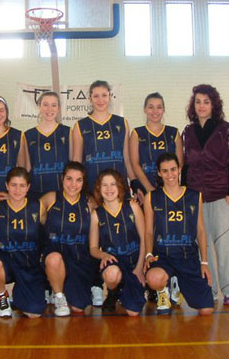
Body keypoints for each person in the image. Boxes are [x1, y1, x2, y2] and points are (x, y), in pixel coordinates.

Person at [72, 80, 138, 306]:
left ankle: (125, 282)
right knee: (94, 242)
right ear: (90, 98)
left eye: (104, 95)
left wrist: (133, 187)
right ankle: (95, 285)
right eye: (96, 96)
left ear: (110, 96)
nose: (100, 100)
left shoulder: (122, 123)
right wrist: (84, 195)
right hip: (93, 195)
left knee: (122, 237)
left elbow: (127, 160)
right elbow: (77, 163)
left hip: (118, 193)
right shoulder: (81, 126)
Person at [181, 84, 229, 305]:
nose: (202, 106)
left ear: (214, 104)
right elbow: (185, 168)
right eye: (198, 102)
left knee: (223, 245)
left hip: (220, 195)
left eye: (206, 101)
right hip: (195, 197)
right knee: (201, 247)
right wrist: (185, 196)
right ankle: (210, 288)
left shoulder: (226, 130)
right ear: (193, 105)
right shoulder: (187, 132)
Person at [144, 153, 214, 316]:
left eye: (173, 170)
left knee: (206, 310)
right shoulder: (152, 197)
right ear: (159, 173)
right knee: (153, 278)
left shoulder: (194, 196)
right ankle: (163, 291)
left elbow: (201, 231)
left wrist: (204, 262)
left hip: (187, 256)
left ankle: (176, 285)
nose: (170, 175)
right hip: (163, 256)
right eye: (165, 171)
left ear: (179, 169)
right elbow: (148, 231)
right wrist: (148, 253)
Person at [0, 167, 47, 318]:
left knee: (34, 313)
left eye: (22, 185)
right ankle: (2, 297)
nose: (17, 190)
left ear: (28, 187)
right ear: (6, 186)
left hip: (28, 265)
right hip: (5, 264)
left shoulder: (37, 207)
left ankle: (20, 296)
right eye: (13, 185)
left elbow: (48, 235)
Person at [89, 169, 146, 316]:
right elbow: (93, 248)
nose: (109, 189)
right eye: (104, 185)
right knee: (112, 274)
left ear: (120, 186)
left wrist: (140, 267)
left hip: (134, 262)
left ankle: (132, 289)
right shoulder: (96, 214)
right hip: (114, 262)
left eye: (112, 184)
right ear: (98, 188)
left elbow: (145, 238)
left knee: (133, 312)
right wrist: (103, 255)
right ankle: (113, 293)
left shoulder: (132, 206)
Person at [40, 161, 94, 316]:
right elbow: (30, 212)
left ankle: (62, 287)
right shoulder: (50, 198)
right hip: (56, 255)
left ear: (83, 182)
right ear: (62, 179)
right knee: (54, 259)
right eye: (69, 179)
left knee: (79, 308)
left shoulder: (89, 203)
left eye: (79, 180)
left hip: (79, 259)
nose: (73, 184)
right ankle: (58, 296)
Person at [130, 92, 183, 198]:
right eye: (151, 107)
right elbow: (134, 164)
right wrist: (149, 188)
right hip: (145, 190)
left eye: (159, 107)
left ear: (163, 110)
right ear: (145, 109)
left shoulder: (173, 132)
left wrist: (170, 187)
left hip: (170, 190)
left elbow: (180, 163)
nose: (155, 111)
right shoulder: (137, 133)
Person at [24, 91, 71, 199]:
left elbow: (73, 163)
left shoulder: (68, 132)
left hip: (62, 191)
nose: (49, 109)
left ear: (58, 108)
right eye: (45, 105)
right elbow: (26, 167)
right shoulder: (27, 135)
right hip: (36, 192)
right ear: (39, 106)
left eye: (53, 105)